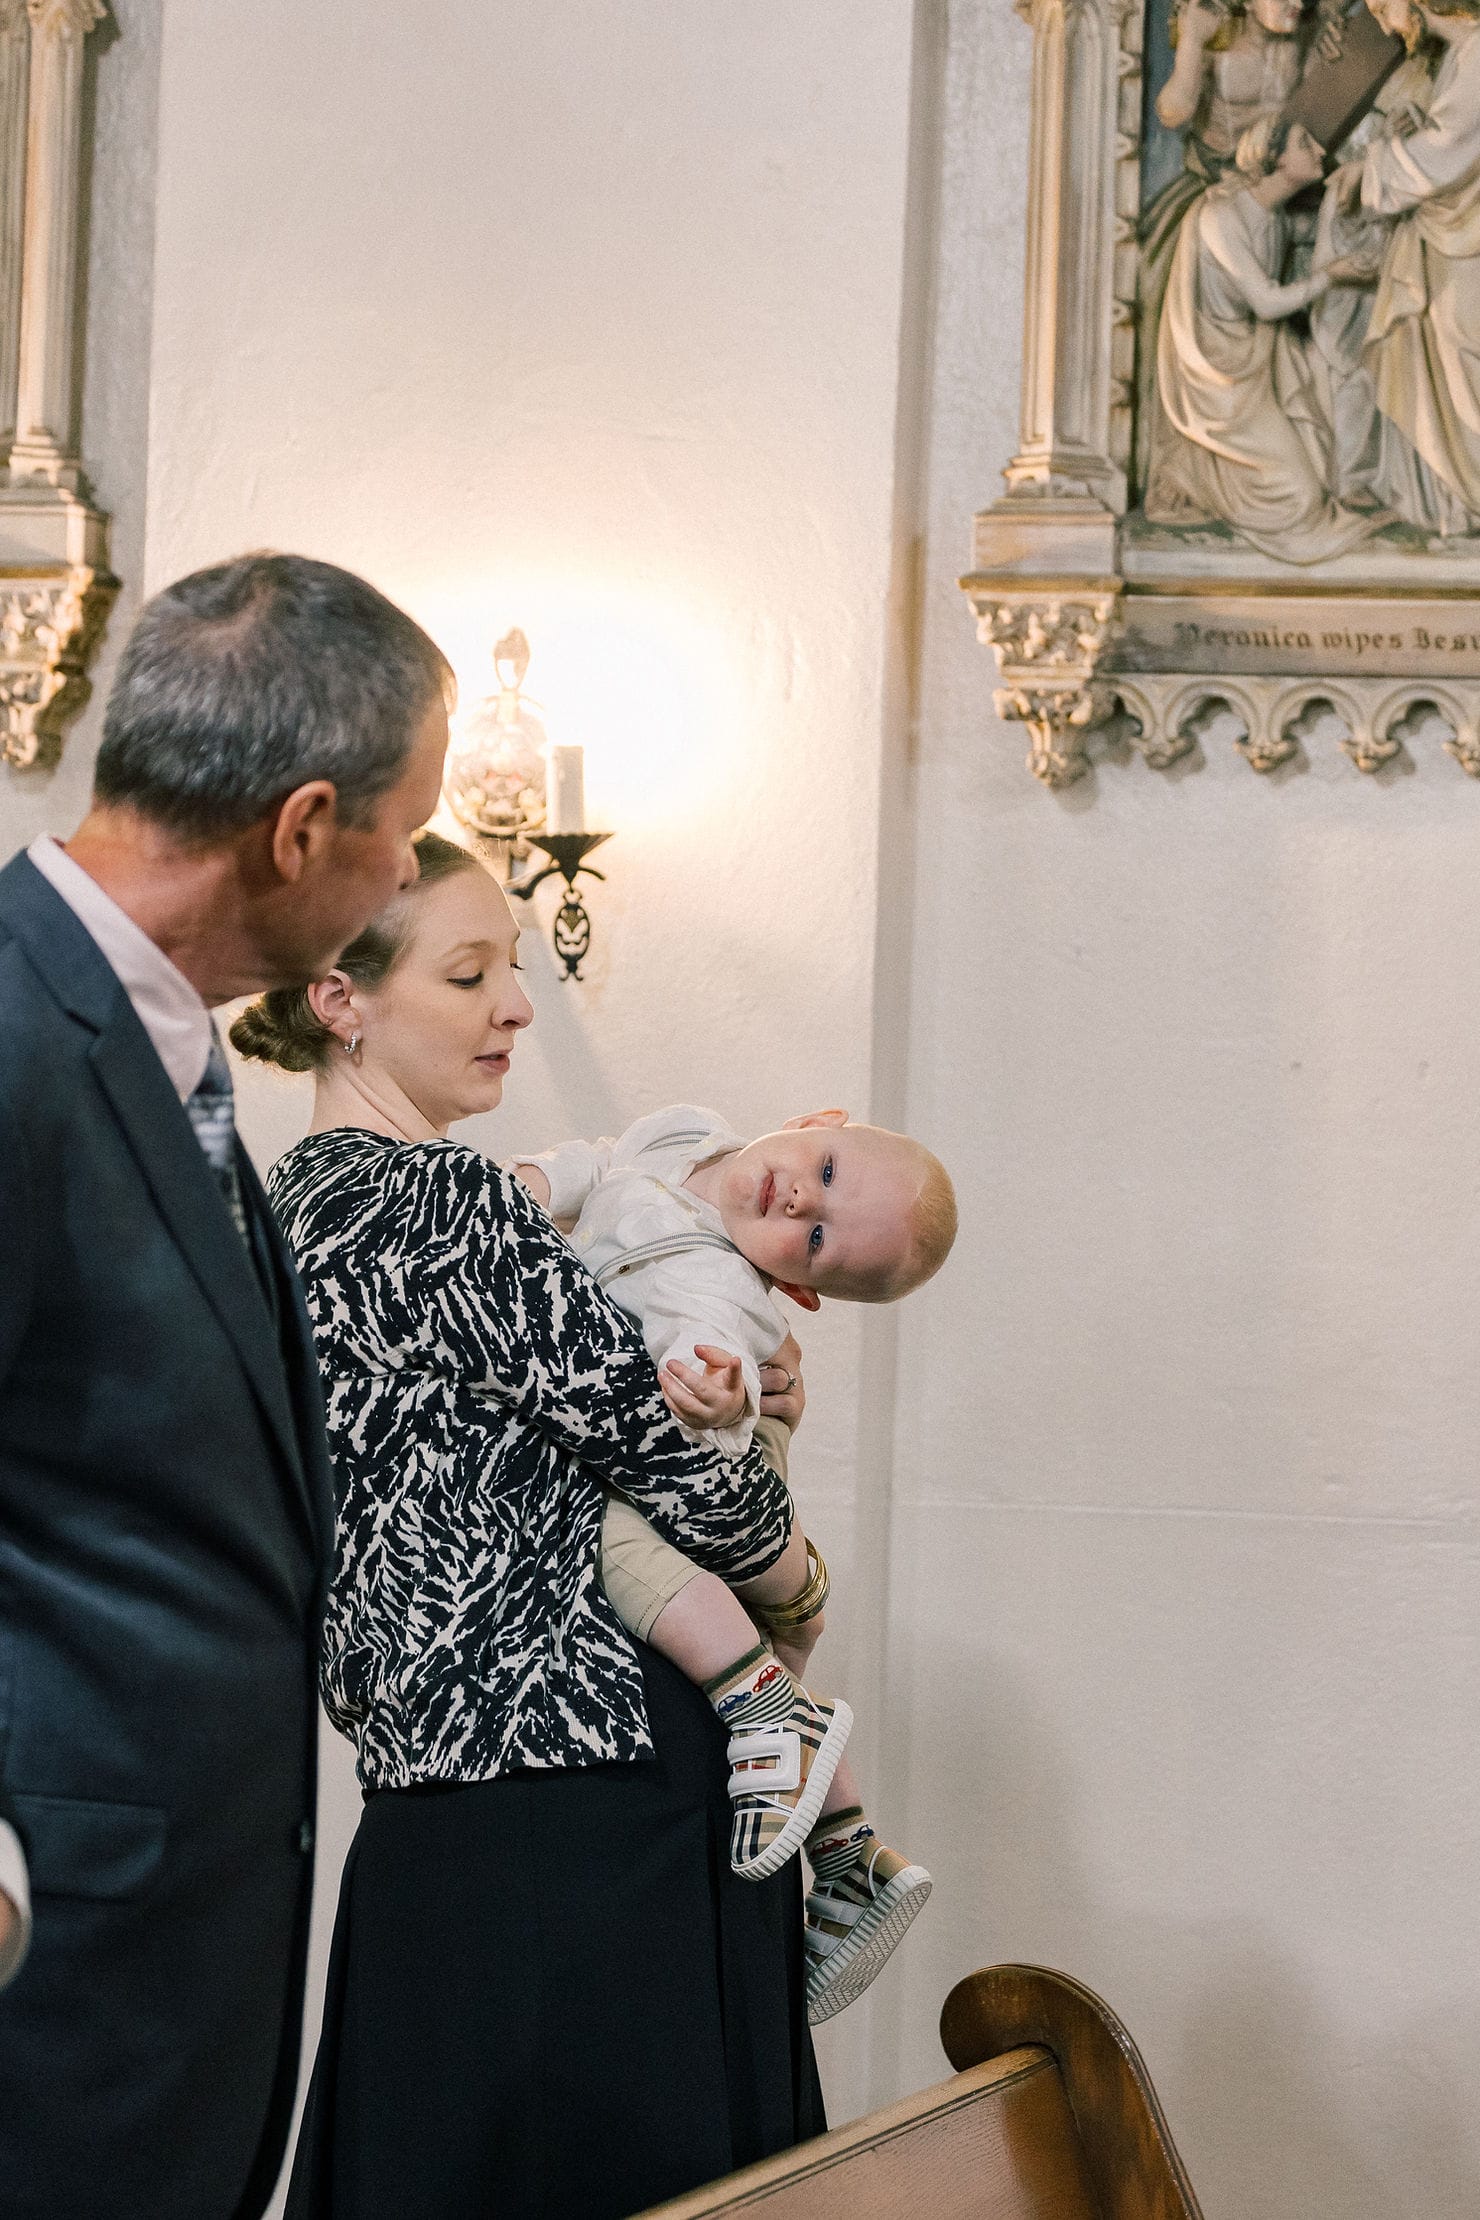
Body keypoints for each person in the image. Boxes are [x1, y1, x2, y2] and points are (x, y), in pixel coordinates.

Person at [233, 834, 825, 2220]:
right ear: (341, 996)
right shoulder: (440, 1204)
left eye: (512, 966)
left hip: (435, 1803)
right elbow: (695, 1488)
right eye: (470, 971)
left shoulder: (281, 1219)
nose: (517, 1005)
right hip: (593, 1797)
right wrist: (798, 1556)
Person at [0, 552, 451, 2220]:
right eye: (406, 830)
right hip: (43, 1962)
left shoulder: (158, 1038)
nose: (408, 870)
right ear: (304, 824)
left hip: (157, 1963)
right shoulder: (10, 1024)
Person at [512, 1104, 956, 2025]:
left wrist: (721, 1392)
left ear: (798, 1292)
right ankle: (848, 1843)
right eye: (825, 1169)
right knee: (770, 1614)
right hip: (712, 1546)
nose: (799, 1199)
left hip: (685, 1449)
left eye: (819, 1236)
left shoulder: (726, 1291)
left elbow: (719, 1356)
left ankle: (755, 1695)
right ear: (815, 1119)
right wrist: (534, 1189)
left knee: (608, 1540)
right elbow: (599, 1159)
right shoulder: (683, 1135)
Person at [1146, 115, 1387, 559]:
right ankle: (1189, 471)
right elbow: (1268, 303)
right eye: (1304, 144)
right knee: (1300, 500)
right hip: (1218, 375)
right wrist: (1332, 276)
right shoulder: (1221, 216)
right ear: (1271, 158)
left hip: (1260, 357)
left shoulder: (1272, 216)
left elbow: (1320, 233)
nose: (1319, 152)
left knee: (1328, 450)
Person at [1328, 0, 1480, 532]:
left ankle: (1470, 495)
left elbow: (1450, 153)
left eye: (1382, 5)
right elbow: (1449, 134)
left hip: (1467, 243)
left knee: (1464, 351)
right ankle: (1454, 500)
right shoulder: (1461, 54)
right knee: (1445, 351)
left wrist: (1365, 170)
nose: (1382, 21)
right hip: (1451, 238)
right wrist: (1415, 127)